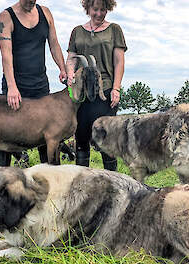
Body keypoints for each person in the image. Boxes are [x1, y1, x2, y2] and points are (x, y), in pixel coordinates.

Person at [0, 0, 67, 166]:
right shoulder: (5, 17)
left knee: (46, 134)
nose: (31, 2)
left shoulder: (46, 13)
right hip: (16, 85)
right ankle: (2, 180)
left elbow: (54, 44)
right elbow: (6, 55)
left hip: (40, 85)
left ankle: (48, 177)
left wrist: (62, 68)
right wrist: (12, 87)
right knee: (7, 134)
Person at [66, 0, 126, 171]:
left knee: (106, 140)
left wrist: (116, 88)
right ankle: (82, 183)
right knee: (82, 138)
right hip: (81, 93)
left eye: (103, 10)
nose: (99, 14)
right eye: (95, 9)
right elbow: (71, 58)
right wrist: (70, 73)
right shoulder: (77, 31)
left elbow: (119, 62)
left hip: (104, 90)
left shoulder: (114, 29)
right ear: (88, 8)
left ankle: (111, 183)